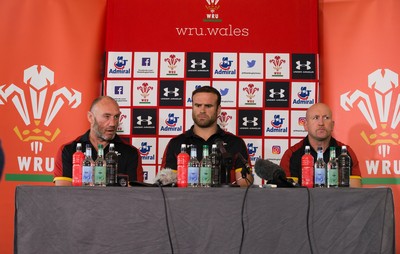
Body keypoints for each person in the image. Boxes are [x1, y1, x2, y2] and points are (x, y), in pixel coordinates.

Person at [161, 86, 253, 187]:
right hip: (185, 202)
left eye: (208, 106)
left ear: (218, 110)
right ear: (192, 107)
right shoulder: (176, 143)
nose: (202, 110)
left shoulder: (235, 143)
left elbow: (244, 185)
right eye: (198, 105)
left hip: (226, 202)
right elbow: (166, 186)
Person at [54, 96, 143, 186]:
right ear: (90, 117)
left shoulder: (130, 153)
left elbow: (136, 195)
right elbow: (63, 193)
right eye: (107, 116)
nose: (113, 123)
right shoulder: (68, 150)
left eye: (116, 117)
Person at [279, 103, 362, 187]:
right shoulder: (291, 154)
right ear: (306, 125)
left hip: (339, 200)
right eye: (316, 118)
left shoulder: (346, 153)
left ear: (332, 125)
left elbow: (356, 193)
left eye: (326, 118)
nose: (321, 123)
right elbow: (287, 194)